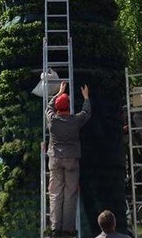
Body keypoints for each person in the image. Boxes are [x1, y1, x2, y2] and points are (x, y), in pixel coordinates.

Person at [46, 81, 91, 237]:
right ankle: (68, 229)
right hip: (71, 159)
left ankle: (55, 228)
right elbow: (86, 113)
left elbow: (48, 107)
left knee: (55, 194)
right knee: (70, 193)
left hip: (55, 159)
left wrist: (59, 93)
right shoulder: (74, 120)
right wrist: (86, 97)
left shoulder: (52, 120)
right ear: (68, 106)